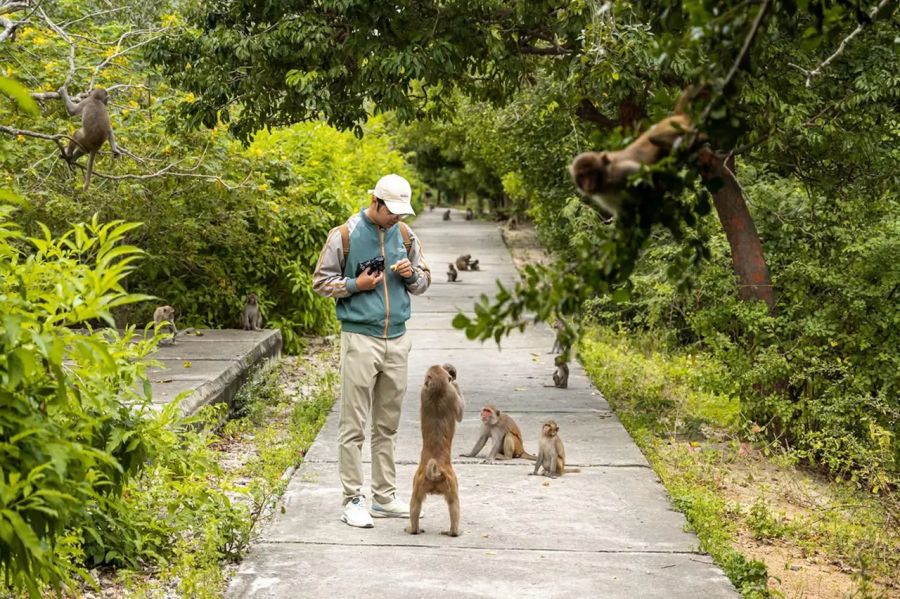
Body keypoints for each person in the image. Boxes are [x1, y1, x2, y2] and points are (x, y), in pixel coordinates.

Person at [313, 173, 431, 528]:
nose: (396, 218)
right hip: (360, 338)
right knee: (353, 423)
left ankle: (384, 496)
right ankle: (352, 499)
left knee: (388, 423)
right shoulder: (345, 235)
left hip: (397, 339)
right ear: (375, 202)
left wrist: (411, 275)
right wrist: (355, 284)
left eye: (401, 212)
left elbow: (424, 282)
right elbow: (320, 282)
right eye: (391, 211)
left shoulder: (406, 236)